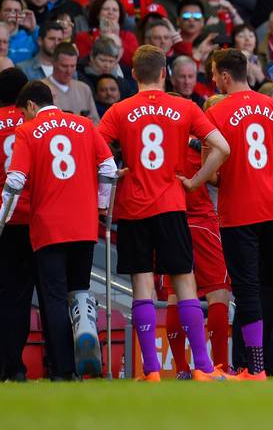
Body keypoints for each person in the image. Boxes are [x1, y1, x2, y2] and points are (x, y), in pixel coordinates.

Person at [97, 45, 231, 381]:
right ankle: (202, 367)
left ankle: (152, 371)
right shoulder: (184, 107)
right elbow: (223, 147)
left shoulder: (118, 110)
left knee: (143, 285)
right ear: (164, 73)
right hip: (172, 204)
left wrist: (117, 172)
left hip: (133, 207)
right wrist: (197, 179)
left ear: (132, 75)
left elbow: (95, 152)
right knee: (184, 283)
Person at [2, 80, 116, 380]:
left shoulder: (27, 131)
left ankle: (64, 369)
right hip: (84, 223)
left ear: (30, 106)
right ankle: (87, 357)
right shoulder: (84, 124)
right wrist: (102, 205)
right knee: (78, 294)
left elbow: (14, 181)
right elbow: (108, 168)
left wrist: (2, 218)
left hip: (48, 226)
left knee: (52, 297)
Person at [204, 49, 273, 379]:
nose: (213, 79)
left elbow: (212, 172)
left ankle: (256, 368)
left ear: (225, 76)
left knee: (247, 289)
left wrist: (235, 174)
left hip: (237, 211)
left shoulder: (216, 113)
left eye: (214, 74)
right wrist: (264, 175)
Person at [0, 68, 30, 382]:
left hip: (3, 217)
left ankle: (6, 366)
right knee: (33, 295)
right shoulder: (33, 122)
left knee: (6, 295)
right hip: (33, 217)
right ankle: (20, 367)